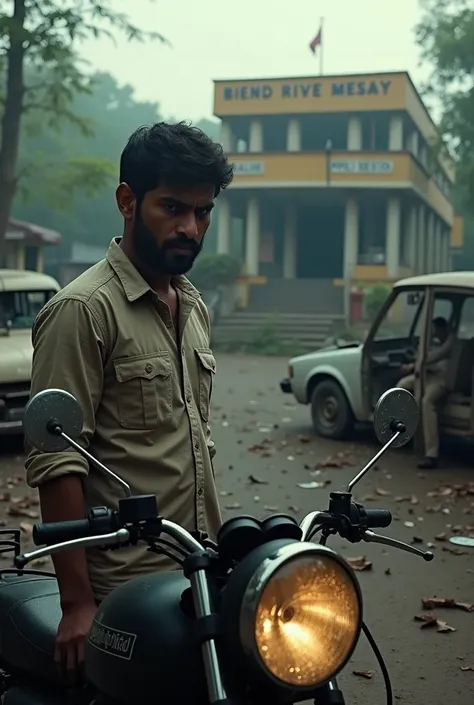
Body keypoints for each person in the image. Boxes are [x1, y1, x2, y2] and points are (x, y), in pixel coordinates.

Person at [25, 121, 234, 679]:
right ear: (127, 200)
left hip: (199, 571)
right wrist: (76, 602)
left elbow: (191, 440)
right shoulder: (83, 310)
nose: (190, 227)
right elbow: (58, 461)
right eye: (172, 207)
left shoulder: (192, 307)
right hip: (124, 588)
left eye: (203, 211)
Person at [398, 316, 454, 469]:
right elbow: (423, 359)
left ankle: (431, 453)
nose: (435, 334)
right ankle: (401, 432)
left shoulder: (450, 342)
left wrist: (413, 365)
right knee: (401, 387)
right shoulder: (433, 343)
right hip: (426, 374)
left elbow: (430, 358)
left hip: (441, 379)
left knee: (426, 402)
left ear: (442, 329)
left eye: (436, 330)